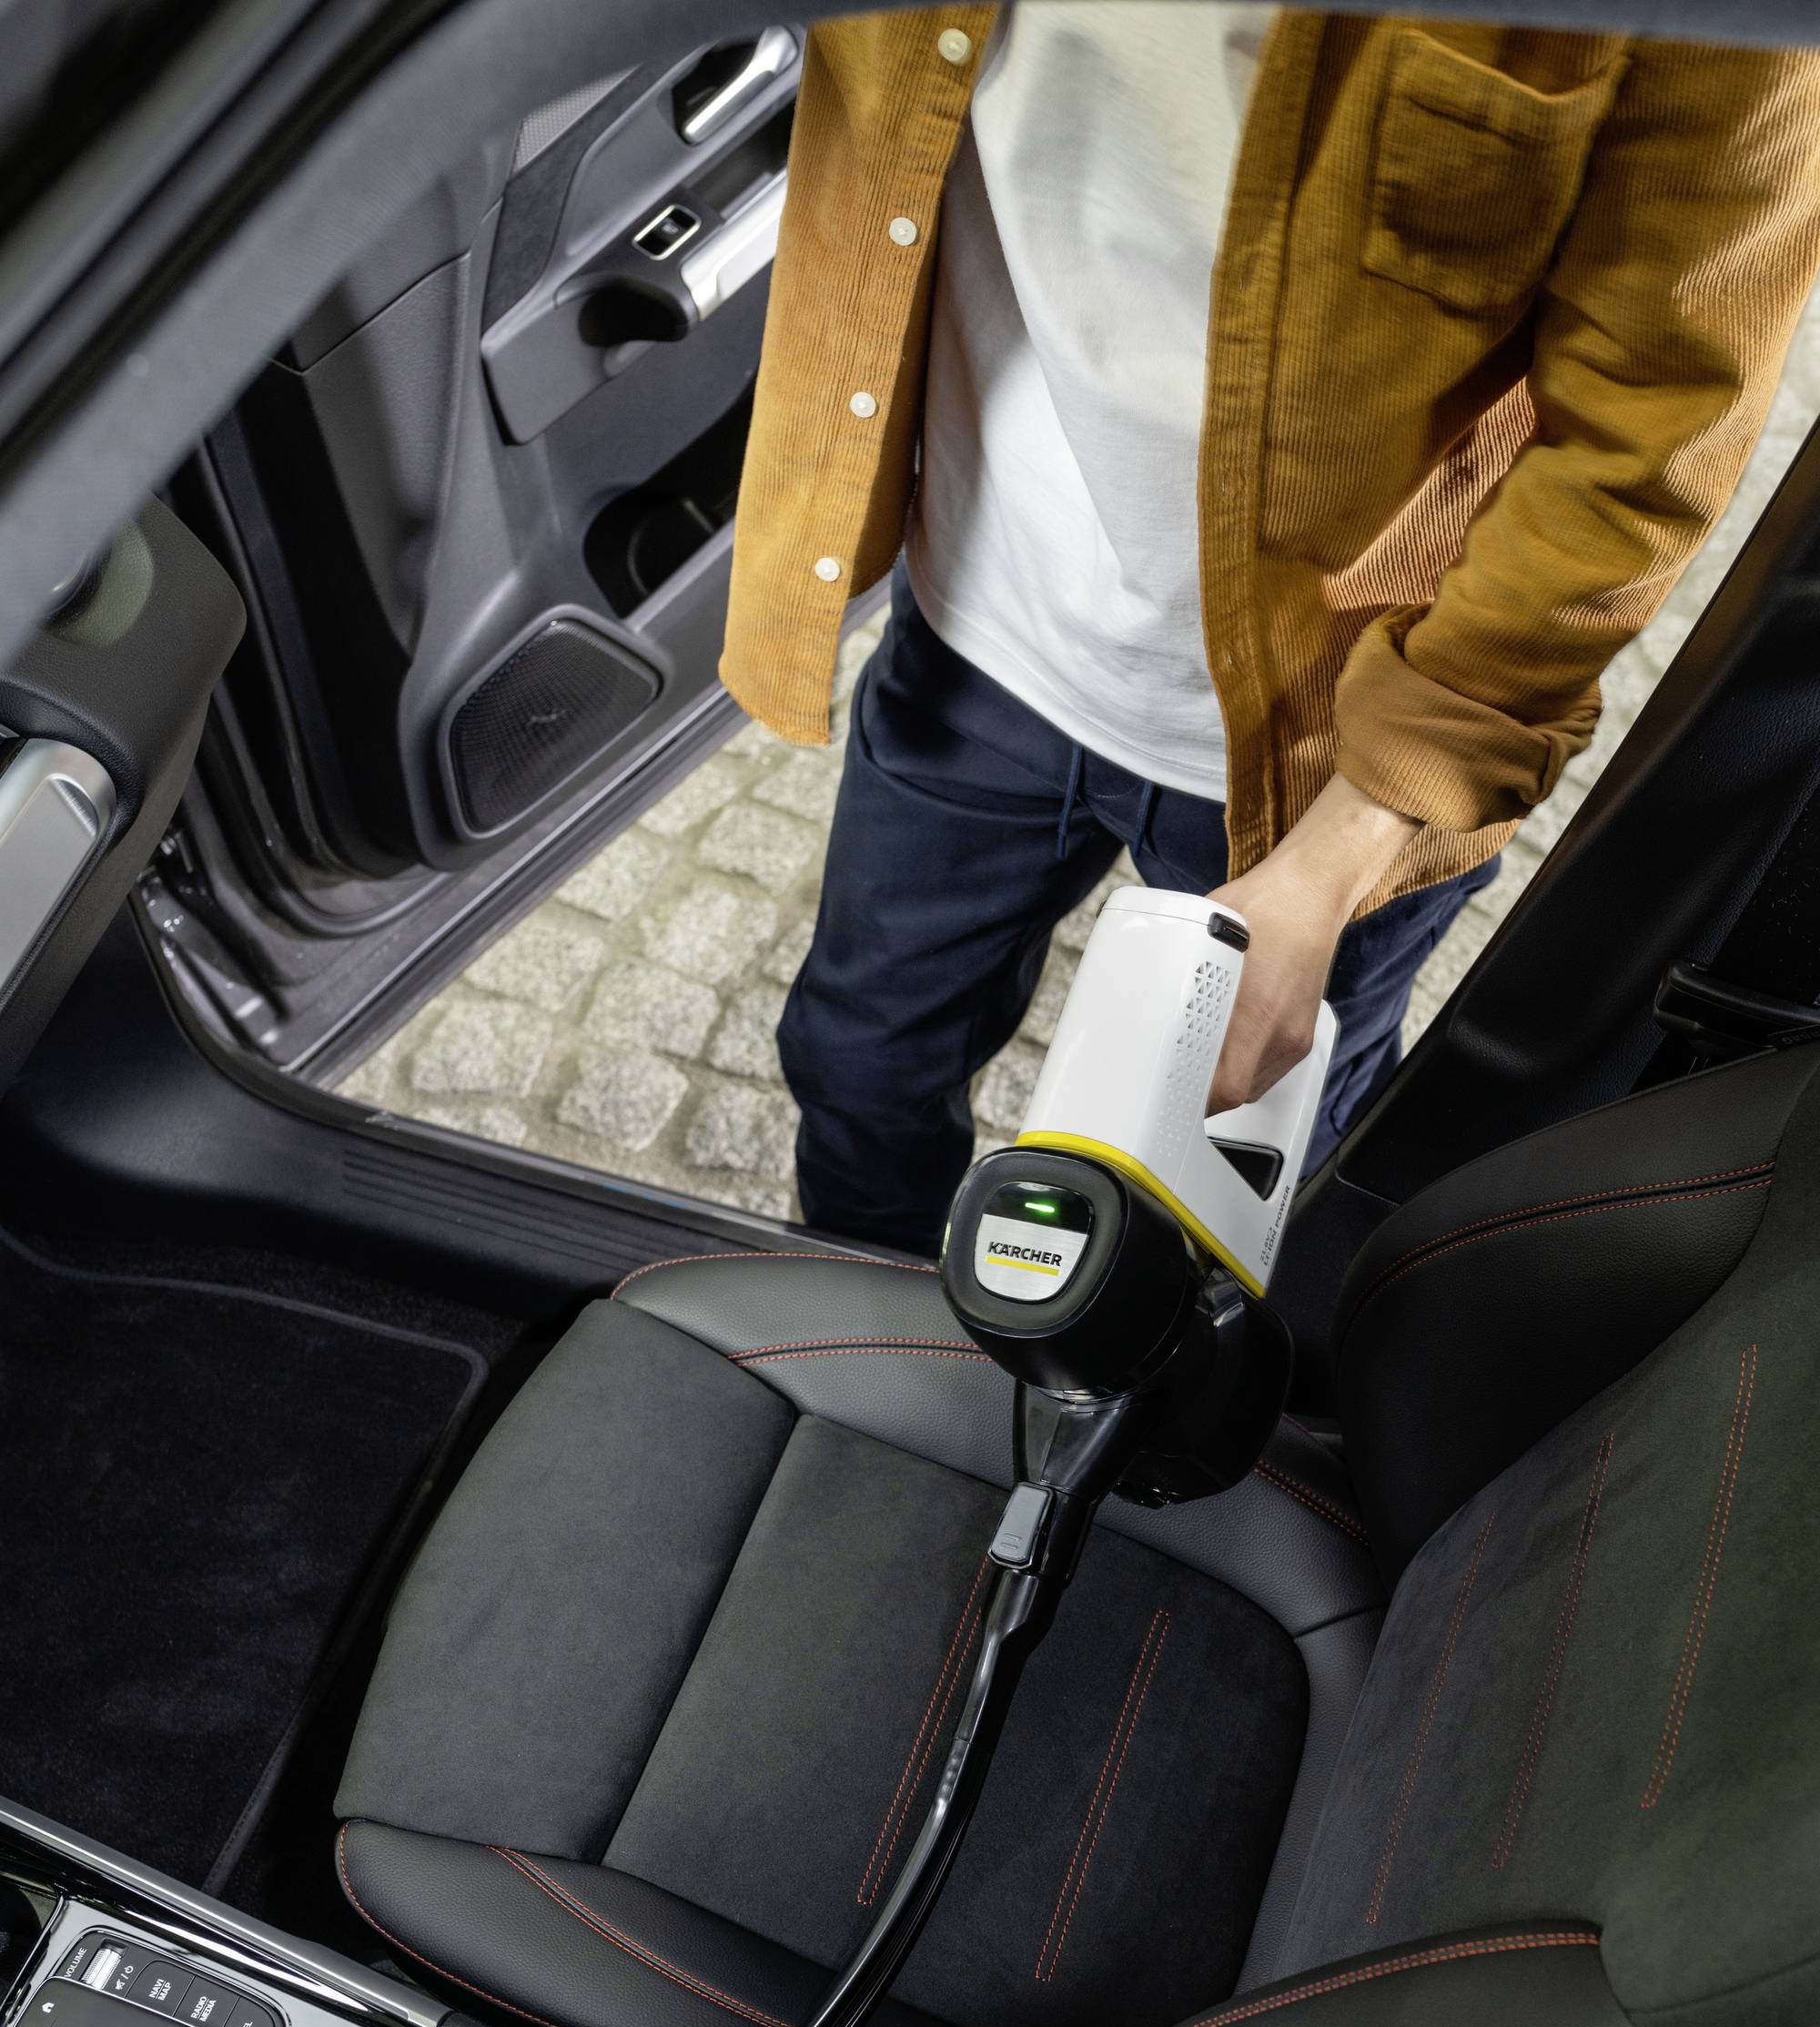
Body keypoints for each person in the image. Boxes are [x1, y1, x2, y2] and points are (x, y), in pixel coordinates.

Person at [718, 7, 1820, 1255]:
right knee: (854, 1076)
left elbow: (1642, 445)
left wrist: (1346, 851)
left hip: (1324, 746)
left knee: (1234, 1206)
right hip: (980, 629)